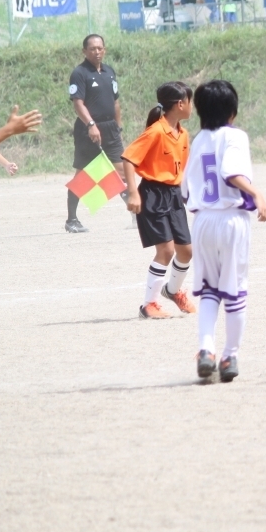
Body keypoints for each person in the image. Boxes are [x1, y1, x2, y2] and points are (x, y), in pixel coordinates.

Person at [182, 80, 266, 382]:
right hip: (231, 219)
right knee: (235, 290)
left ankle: (206, 349)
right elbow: (231, 172)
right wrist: (256, 193)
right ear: (232, 112)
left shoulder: (198, 140)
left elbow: (185, 188)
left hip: (204, 221)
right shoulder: (235, 136)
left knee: (209, 289)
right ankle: (230, 355)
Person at [122, 82, 196, 319]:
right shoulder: (155, 131)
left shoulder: (183, 134)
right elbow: (129, 159)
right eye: (190, 101)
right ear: (180, 104)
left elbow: (182, 169)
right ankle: (149, 305)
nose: (192, 106)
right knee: (166, 250)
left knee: (186, 251)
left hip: (173, 195)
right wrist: (133, 193)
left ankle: (172, 291)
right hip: (153, 194)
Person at [67, 35, 129, 233]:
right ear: (84, 51)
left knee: (123, 171)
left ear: (105, 49)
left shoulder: (109, 71)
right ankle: (71, 220)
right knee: (83, 174)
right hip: (89, 131)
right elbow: (78, 104)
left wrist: (118, 127)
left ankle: (136, 215)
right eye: (92, 48)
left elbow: (116, 102)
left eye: (100, 48)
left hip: (110, 129)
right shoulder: (79, 73)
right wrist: (91, 125)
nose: (97, 52)